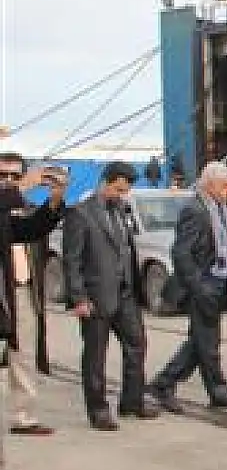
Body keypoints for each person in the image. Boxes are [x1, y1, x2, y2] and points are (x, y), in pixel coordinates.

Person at [63, 162, 161, 429]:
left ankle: (132, 401)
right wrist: (79, 298)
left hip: (125, 294)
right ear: (105, 182)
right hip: (96, 297)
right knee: (95, 355)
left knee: (137, 344)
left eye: (125, 190)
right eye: (118, 189)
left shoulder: (120, 211)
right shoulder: (80, 214)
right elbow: (72, 261)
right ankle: (98, 410)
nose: (122, 194)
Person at [149, 162, 227, 412]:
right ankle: (199, 387)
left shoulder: (220, 208)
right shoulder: (194, 209)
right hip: (203, 284)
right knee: (206, 341)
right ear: (209, 184)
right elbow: (181, 252)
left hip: (219, 281)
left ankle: (170, 384)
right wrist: (198, 285)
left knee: (202, 341)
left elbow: (223, 243)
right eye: (224, 186)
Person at [0, 154, 67, 470]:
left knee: (22, 360)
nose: (9, 181)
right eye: (3, 175)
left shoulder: (12, 210)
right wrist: (21, 187)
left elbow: (29, 230)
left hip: (14, 300)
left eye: (15, 176)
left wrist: (54, 201)